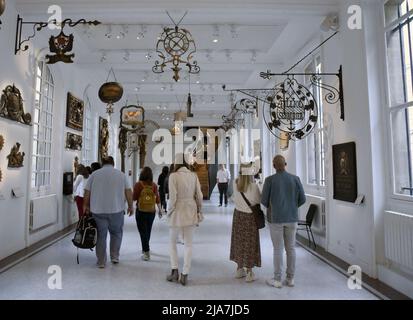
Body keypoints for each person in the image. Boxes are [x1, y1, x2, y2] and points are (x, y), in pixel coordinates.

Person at [261, 155, 306, 288]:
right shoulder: (295, 179)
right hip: (292, 218)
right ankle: (290, 278)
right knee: (290, 248)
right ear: (285, 164)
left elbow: (264, 200)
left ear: (274, 166)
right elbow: (302, 199)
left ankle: (277, 279)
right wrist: (292, 206)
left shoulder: (269, 180)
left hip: (276, 219)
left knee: (278, 249)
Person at [84, 156, 133, 268]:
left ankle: (101, 261)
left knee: (101, 235)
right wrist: (130, 206)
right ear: (113, 163)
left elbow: (87, 191)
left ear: (102, 163)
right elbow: (128, 191)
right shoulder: (121, 175)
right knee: (116, 233)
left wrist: (85, 205)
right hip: (117, 209)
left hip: (98, 210)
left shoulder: (94, 175)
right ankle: (114, 256)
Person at [166, 154, 203, 286]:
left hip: (177, 211)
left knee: (172, 243)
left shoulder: (173, 176)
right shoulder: (193, 175)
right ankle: (185, 274)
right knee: (188, 244)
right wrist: (199, 209)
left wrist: (168, 211)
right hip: (191, 209)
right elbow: (199, 195)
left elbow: (173, 197)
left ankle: (174, 270)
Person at [230, 163, 262, 282]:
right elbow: (258, 200)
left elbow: (234, 197)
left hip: (238, 216)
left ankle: (239, 269)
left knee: (239, 241)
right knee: (250, 243)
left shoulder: (235, 183)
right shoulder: (253, 186)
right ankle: (249, 272)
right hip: (250, 218)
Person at [133, 167, 161, 261]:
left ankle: (146, 251)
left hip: (141, 211)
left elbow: (134, 197)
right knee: (147, 231)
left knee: (142, 232)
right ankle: (145, 248)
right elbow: (157, 199)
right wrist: (160, 210)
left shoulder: (138, 185)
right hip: (151, 211)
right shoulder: (154, 185)